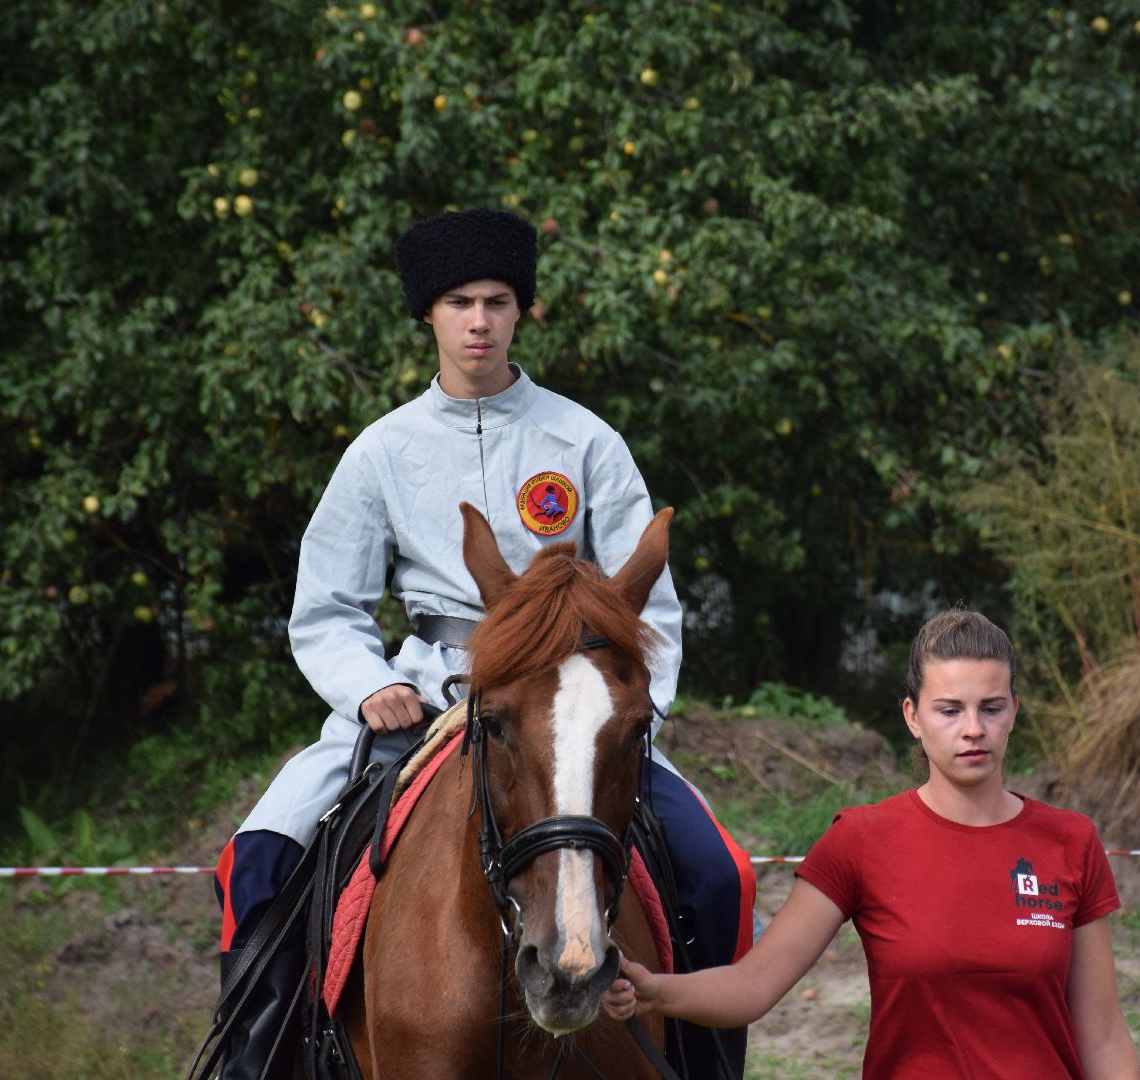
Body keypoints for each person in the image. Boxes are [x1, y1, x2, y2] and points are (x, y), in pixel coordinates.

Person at [211, 208, 755, 1078]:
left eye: (497, 301)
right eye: (459, 302)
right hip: (427, 691)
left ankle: (706, 1061)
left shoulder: (585, 441)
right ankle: (258, 1057)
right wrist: (363, 687)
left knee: (718, 870)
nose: (478, 320)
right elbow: (325, 608)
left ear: (521, 312)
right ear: (428, 314)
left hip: (570, 708)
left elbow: (651, 610)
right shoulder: (381, 452)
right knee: (262, 854)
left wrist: (622, 713)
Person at [603, 609, 1140, 1080]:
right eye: (950, 710)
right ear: (912, 716)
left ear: (1015, 712)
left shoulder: (1070, 841)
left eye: (992, 708)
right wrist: (655, 990)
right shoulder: (860, 840)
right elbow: (754, 983)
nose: (973, 728)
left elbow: (1104, 1037)